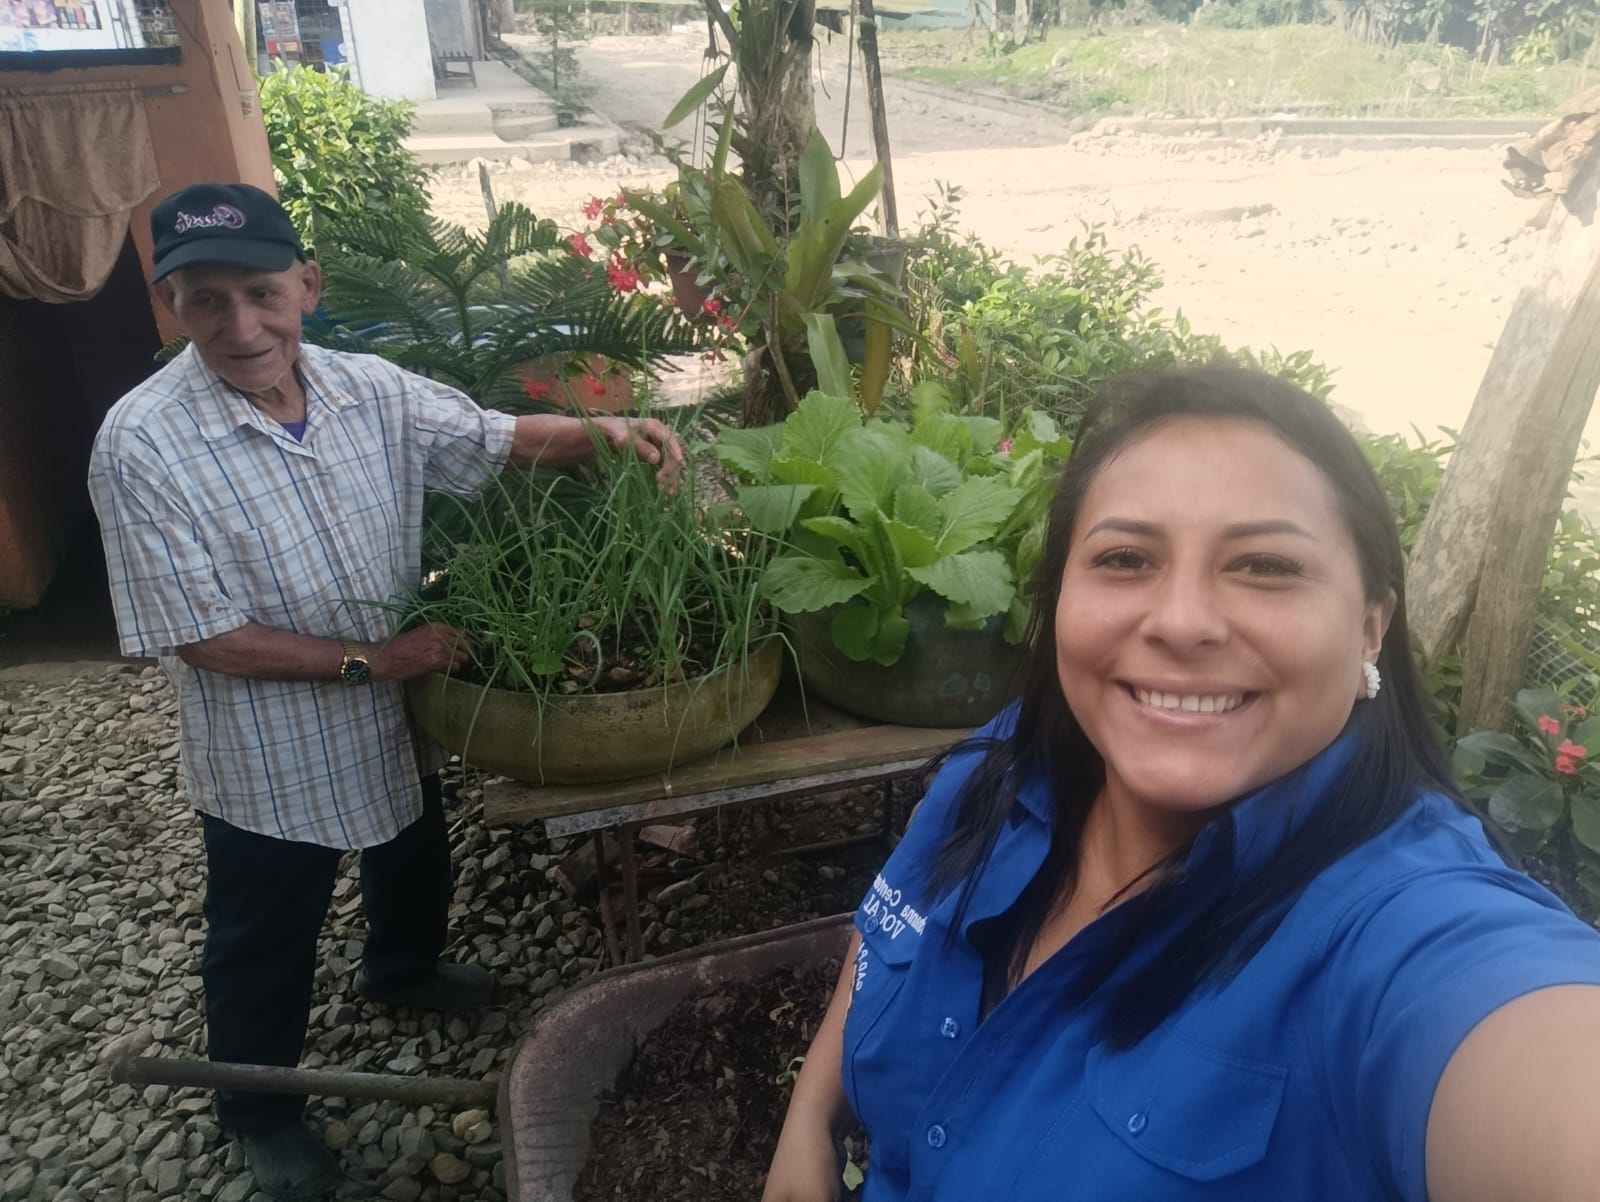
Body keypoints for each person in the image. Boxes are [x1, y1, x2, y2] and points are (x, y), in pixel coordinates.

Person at [764, 365, 1600, 1202]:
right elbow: (891, 928)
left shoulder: (1408, 935)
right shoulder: (1005, 762)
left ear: (1370, 629)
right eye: (1126, 558)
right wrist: (807, 1120)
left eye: (1265, 565)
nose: (1182, 622)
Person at [87, 182, 682, 1202]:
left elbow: (496, 437)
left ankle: (402, 969)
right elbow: (206, 638)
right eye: (206, 300)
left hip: (394, 702)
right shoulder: (141, 443)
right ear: (169, 307)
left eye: (263, 293)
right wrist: (380, 658)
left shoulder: (366, 388)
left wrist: (612, 432)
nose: (242, 327)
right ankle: (259, 1109)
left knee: (410, 837)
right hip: (268, 741)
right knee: (265, 923)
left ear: (307, 287)